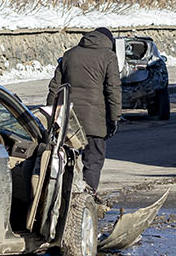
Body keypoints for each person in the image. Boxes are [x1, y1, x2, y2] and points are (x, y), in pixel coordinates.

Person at [47, 27, 121, 198]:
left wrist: (52, 114)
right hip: (96, 120)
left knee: (66, 159)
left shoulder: (69, 54)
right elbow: (113, 90)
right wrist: (114, 117)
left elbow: (54, 88)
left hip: (68, 120)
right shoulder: (108, 56)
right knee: (93, 161)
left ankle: (64, 197)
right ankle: (86, 200)